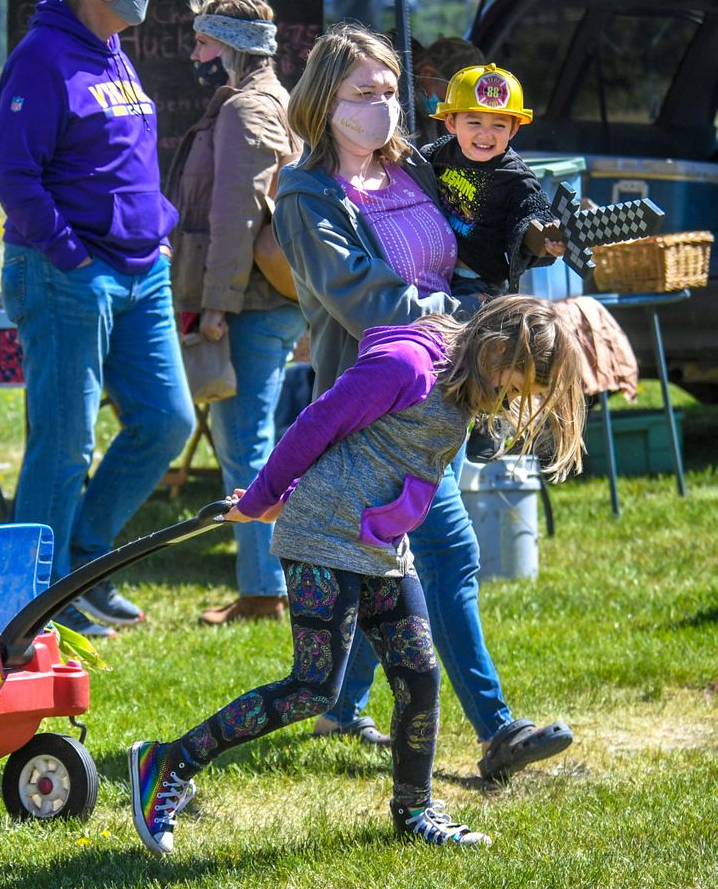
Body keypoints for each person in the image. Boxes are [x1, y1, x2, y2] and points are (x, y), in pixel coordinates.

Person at [129, 295, 587, 855]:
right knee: (314, 686)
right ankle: (168, 761)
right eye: (513, 388)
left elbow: (377, 451)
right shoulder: (407, 366)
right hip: (322, 535)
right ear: (495, 348)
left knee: (419, 675)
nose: (509, 401)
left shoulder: (468, 378)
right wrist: (263, 497)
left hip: (380, 543)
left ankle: (415, 810)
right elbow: (319, 423)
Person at [265, 23, 576, 783]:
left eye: (390, 91)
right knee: (448, 555)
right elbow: (362, 298)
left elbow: (475, 227)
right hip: (377, 404)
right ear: (323, 102)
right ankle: (497, 730)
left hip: (439, 389)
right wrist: (473, 316)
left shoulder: (410, 166)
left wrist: (525, 237)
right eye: (363, 94)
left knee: (387, 568)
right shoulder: (307, 194)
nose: (383, 107)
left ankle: (340, 706)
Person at [0, 0, 195, 639]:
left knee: (166, 421)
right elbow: (11, 174)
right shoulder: (43, 56)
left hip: (138, 269)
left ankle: (83, 562)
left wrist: (153, 234)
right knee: (65, 442)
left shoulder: (112, 52)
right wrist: (70, 254)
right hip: (68, 271)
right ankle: (36, 601)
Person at [164, 0, 306, 625]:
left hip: (248, 302)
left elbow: (235, 216)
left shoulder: (245, 110)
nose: (195, 43)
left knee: (245, 443)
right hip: (260, 299)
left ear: (229, 42)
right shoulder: (268, 100)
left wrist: (215, 304)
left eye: (204, 33)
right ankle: (268, 583)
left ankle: (262, 591)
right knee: (252, 437)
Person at [422, 62, 566, 297]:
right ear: (451, 123)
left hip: (476, 281)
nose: (485, 134)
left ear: (513, 129)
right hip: (429, 267)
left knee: (459, 325)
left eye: (498, 125)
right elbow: (409, 175)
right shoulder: (438, 153)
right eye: (474, 122)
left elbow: (533, 212)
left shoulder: (516, 177)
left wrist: (546, 240)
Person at [411, 36, 486, 148]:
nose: (460, 105)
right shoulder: (406, 117)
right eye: (456, 95)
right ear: (427, 73)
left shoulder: (441, 118)